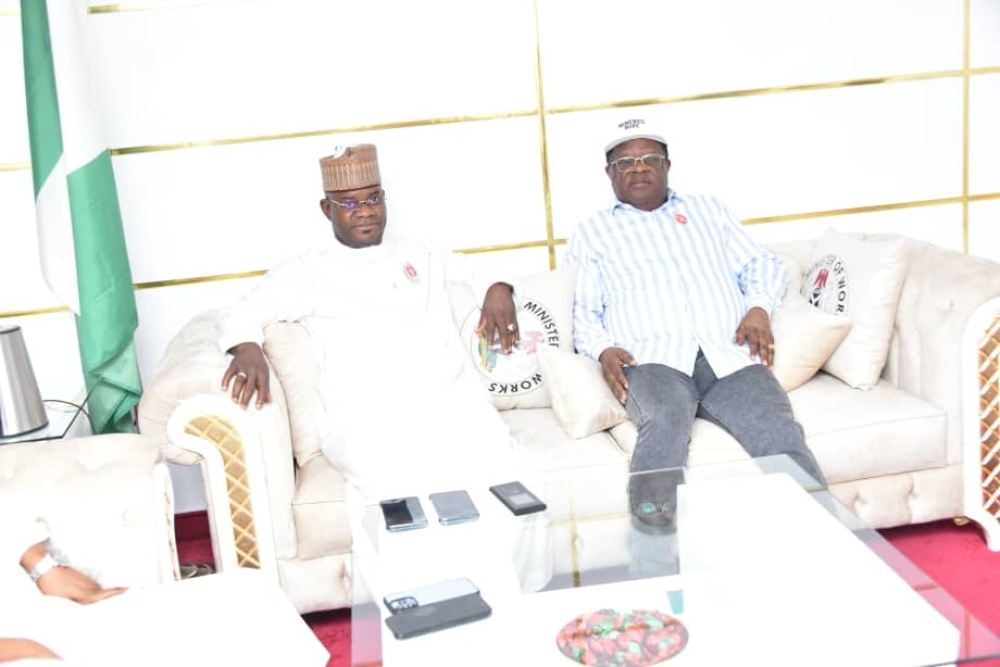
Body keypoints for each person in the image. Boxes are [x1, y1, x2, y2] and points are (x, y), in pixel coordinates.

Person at [216, 143, 529, 498]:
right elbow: (240, 312)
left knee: (508, 480)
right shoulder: (309, 271)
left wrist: (498, 288)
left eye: (373, 199)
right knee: (409, 496)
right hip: (368, 419)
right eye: (349, 203)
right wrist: (246, 348)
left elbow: (482, 268)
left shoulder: (418, 253)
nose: (364, 211)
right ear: (326, 209)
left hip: (449, 406)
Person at [565, 117, 826, 531]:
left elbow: (760, 265)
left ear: (668, 165)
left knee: (780, 434)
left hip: (728, 354)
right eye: (625, 162)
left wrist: (758, 308)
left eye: (650, 158)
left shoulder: (709, 211)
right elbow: (584, 312)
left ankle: (826, 547)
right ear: (609, 173)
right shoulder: (592, 233)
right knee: (664, 426)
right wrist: (602, 351)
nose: (638, 168)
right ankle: (655, 573)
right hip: (652, 360)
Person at [0, 511, 329, 666]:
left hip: (38, 618)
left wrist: (44, 566)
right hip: (23, 649)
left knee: (248, 595)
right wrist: (28, 650)